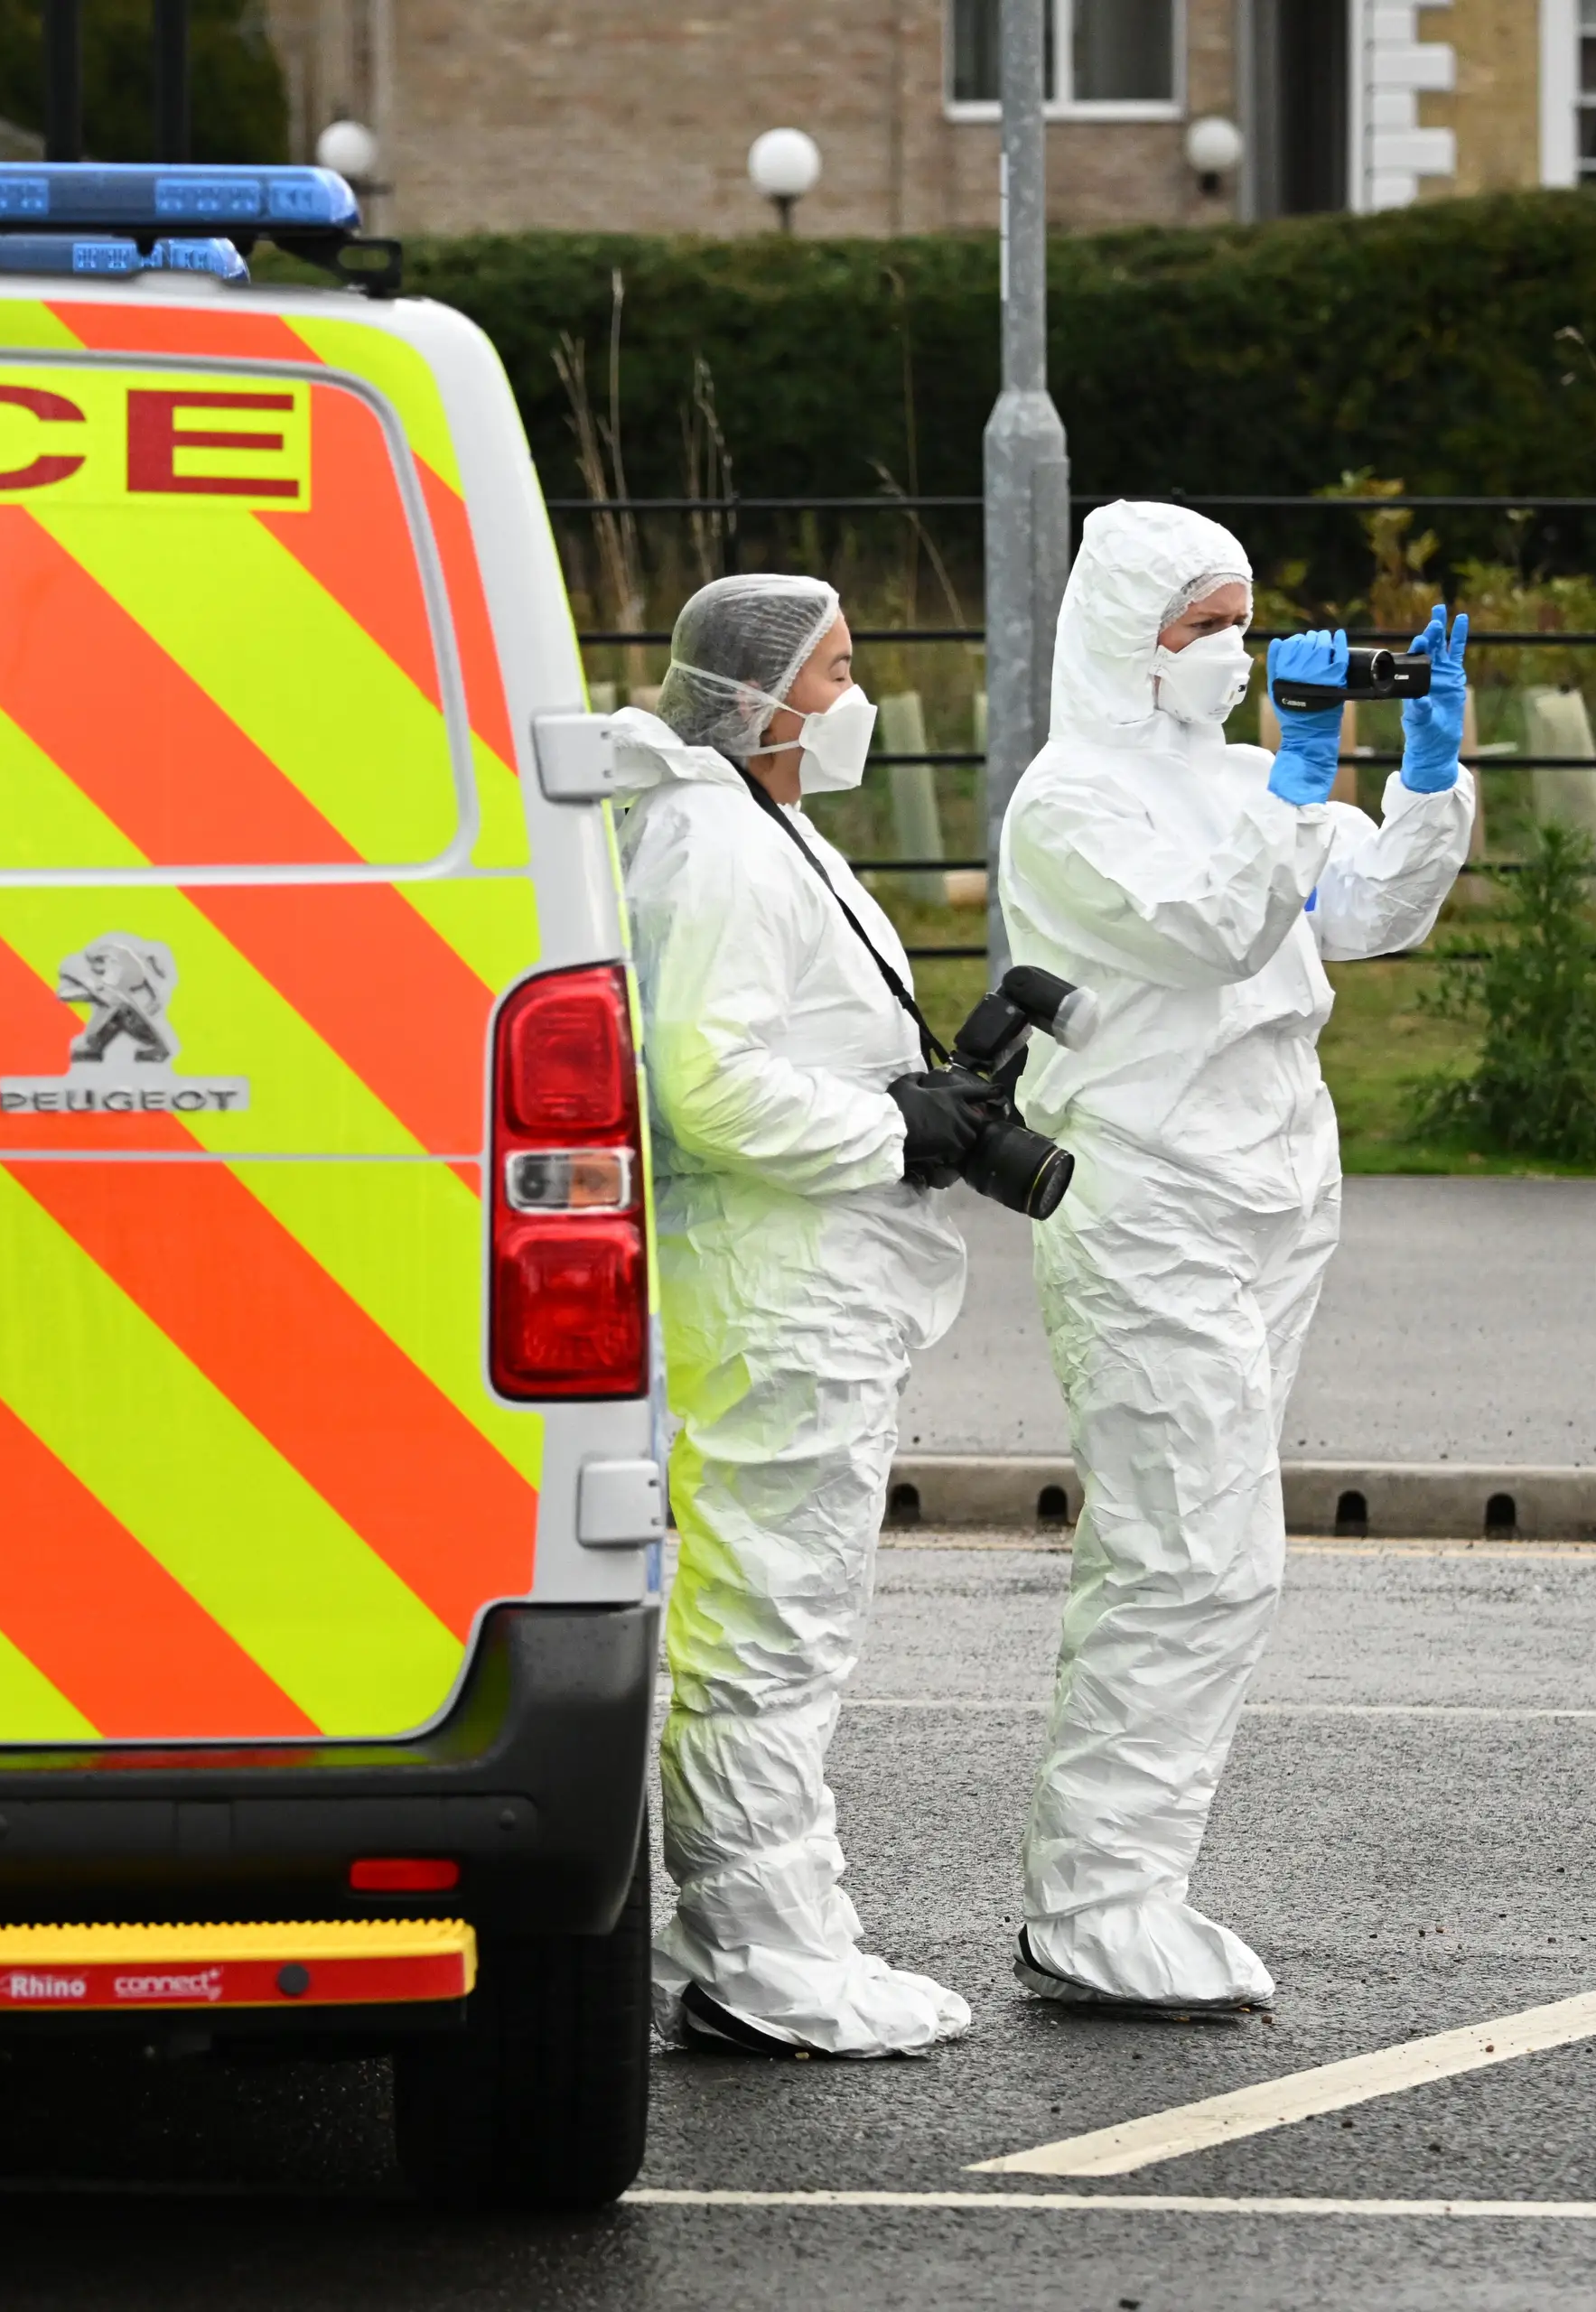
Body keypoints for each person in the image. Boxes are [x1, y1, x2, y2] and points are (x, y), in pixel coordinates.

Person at [996, 500, 1478, 2012]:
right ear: (1124, 643)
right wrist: (1297, 774)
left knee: (1210, 1556)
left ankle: (1132, 1886)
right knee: (1191, 1553)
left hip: (1274, 1185)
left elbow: (1375, 911)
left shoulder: (1242, 778)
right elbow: (1207, 933)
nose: (1234, 651)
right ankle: (1095, 1903)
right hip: (1149, 1197)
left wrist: (1428, 773)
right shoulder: (1069, 803)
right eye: (1200, 626)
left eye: (1242, 621)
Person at [616, 573, 1005, 2057]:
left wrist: (919, 1104)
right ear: (767, 698)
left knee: (793, 1622)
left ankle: (786, 1923)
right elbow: (700, 1081)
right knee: (765, 1625)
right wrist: (891, 1132)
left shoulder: (769, 831)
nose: (859, 700)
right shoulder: (717, 843)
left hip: (809, 1286)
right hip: (774, 1292)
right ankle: (756, 1954)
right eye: (839, 674)